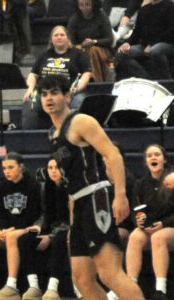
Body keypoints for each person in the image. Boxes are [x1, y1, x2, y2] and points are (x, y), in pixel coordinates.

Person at [38, 75, 144, 300]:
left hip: (97, 199)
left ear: (67, 96)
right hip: (78, 204)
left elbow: (113, 154)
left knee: (110, 274)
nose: (49, 98)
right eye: (44, 94)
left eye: (54, 92)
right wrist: (73, 220)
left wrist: (121, 195)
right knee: (82, 279)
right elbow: (70, 182)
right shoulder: (53, 133)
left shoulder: (81, 121)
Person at [0, 152, 42, 300]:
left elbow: (34, 213)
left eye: (10, 167)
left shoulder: (33, 185)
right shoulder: (1, 187)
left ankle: (11, 285)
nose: (6, 171)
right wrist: (4, 228)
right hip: (9, 229)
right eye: (4, 168)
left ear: (21, 167)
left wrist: (15, 229)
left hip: (27, 228)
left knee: (11, 237)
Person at [126, 144, 174, 300]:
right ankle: (129, 287)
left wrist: (164, 224)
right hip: (152, 227)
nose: (153, 157)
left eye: (157, 154)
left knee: (158, 237)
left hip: (169, 226)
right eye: (149, 155)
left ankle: (160, 290)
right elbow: (135, 209)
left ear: (165, 160)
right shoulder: (140, 183)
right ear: (145, 162)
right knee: (135, 237)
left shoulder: (171, 179)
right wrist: (139, 222)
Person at [22, 25, 92, 129]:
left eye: (62, 35)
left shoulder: (77, 54)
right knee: (29, 102)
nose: (59, 37)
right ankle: (30, 138)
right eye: (56, 35)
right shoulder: (44, 55)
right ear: (51, 39)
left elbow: (87, 73)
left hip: (69, 92)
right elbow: (33, 74)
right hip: (45, 93)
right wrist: (30, 88)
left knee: (80, 102)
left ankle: (75, 135)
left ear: (67, 38)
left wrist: (78, 88)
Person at [24, 158, 71, 300]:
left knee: (58, 240)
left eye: (56, 167)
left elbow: (70, 219)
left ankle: (52, 287)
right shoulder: (45, 188)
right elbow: (45, 214)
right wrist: (38, 226)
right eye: (50, 168)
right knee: (25, 239)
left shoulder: (70, 186)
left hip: (69, 227)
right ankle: (34, 286)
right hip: (52, 226)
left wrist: (50, 236)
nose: (53, 171)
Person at [116, 0, 174, 80]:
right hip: (145, 45)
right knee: (121, 54)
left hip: (167, 44)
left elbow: (171, 31)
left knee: (156, 50)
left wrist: (152, 44)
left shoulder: (170, 6)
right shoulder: (144, 9)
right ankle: (146, 79)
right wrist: (127, 44)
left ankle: (167, 82)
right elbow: (137, 32)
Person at [67, 0, 114, 82]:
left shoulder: (101, 16)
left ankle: (97, 81)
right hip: (82, 49)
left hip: (102, 49)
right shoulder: (74, 19)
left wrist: (94, 42)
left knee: (93, 50)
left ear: (93, 4)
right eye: (81, 5)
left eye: (87, 4)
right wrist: (82, 45)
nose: (84, 8)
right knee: (85, 52)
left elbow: (109, 39)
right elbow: (70, 41)